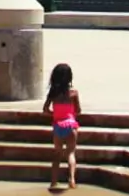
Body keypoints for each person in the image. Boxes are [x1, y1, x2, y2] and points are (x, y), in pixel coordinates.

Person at [42, 63, 81, 191]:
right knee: (71, 153)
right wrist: (70, 114)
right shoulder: (73, 93)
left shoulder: (52, 93)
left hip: (58, 125)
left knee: (57, 155)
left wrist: (55, 114)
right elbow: (79, 111)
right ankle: (72, 179)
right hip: (70, 125)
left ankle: (53, 182)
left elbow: (45, 110)